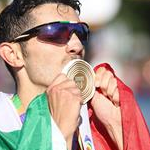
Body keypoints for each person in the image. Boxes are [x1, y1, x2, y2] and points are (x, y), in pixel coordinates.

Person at [0, 0, 149, 150]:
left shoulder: (94, 122)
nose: (77, 46)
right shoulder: (4, 128)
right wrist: (59, 134)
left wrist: (116, 127)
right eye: (55, 33)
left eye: (81, 32)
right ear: (13, 54)